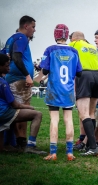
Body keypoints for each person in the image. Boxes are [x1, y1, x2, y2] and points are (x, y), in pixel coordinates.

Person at [39, 24, 82, 161]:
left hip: (54, 89)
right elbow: (79, 72)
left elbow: (44, 70)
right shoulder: (74, 51)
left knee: (54, 119)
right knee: (68, 120)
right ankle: (69, 153)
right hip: (68, 90)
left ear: (55, 35)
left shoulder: (50, 50)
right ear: (66, 35)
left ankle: (53, 153)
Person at [0, 53, 46, 155]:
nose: (9, 68)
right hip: (3, 113)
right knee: (37, 114)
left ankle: (9, 144)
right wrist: (29, 107)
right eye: (7, 65)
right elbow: (15, 105)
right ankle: (30, 146)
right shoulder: (2, 83)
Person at [4, 15, 36, 150]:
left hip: (12, 79)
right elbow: (17, 57)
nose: (34, 30)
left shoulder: (11, 38)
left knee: (17, 109)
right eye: (33, 27)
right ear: (26, 26)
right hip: (19, 80)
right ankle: (21, 142)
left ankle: (15, 141)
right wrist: (27, 75)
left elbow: (5, 56)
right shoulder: (21, 38)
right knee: (23, 111)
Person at [69, 31, 98, 156]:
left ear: (74, 38)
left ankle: (93, 147)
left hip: (84, 75)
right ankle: (89, 145)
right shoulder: (92, 47)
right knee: (91, 113)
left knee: (83, 113)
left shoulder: (74, 44)